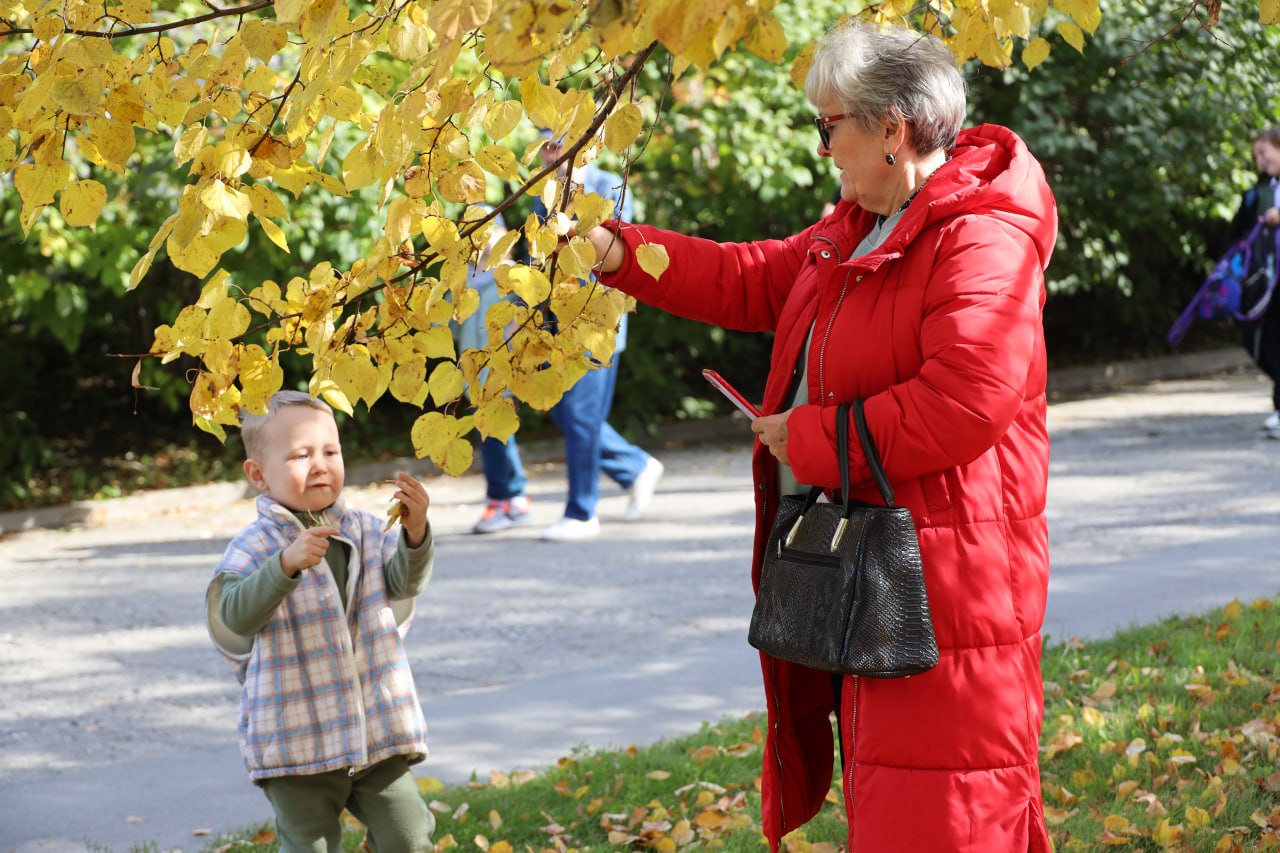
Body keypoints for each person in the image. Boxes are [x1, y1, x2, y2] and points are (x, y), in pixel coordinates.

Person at [582, 20, 1057, 852]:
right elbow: (748, 276)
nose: (824, 146)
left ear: (890, 130)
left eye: (828, 124)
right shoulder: (861, 222)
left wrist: (811, 438)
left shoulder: (981, 235)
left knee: (947, 821)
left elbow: (968, 398)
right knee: (894, 807)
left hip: (951, 589)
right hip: (881, 572)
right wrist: (616, 251)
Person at [205, 390, 436, 852]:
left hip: (374, 727)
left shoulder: (368, 530)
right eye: (299, 454)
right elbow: (232, 618)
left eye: (330, 451)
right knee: (311, 845)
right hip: (297, 739)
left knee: (409, 835)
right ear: (258, 475)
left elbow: (401, 586)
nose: (320, 465)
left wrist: (415, 533)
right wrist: (283, 566)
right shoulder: (254, 547)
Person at [471, 130, 664, 541]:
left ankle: (582, 512)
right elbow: (536, 263)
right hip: (551, 325)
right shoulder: (542, 197)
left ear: (586, 147)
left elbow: (621, 259)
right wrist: (520, 316)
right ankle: (634, 467)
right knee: (561, 409)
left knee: (579, 416)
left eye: (560, 145)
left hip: (595, 325)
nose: (553, 154)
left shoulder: (611, 188)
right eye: (546, 147)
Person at [1228, 126, 1280, 436]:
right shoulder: (1258, 192)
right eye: (1256, 156)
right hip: (1265, 283)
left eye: (1264, 153)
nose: (1259, 161)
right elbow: (1236, 236)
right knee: (1262, 341)